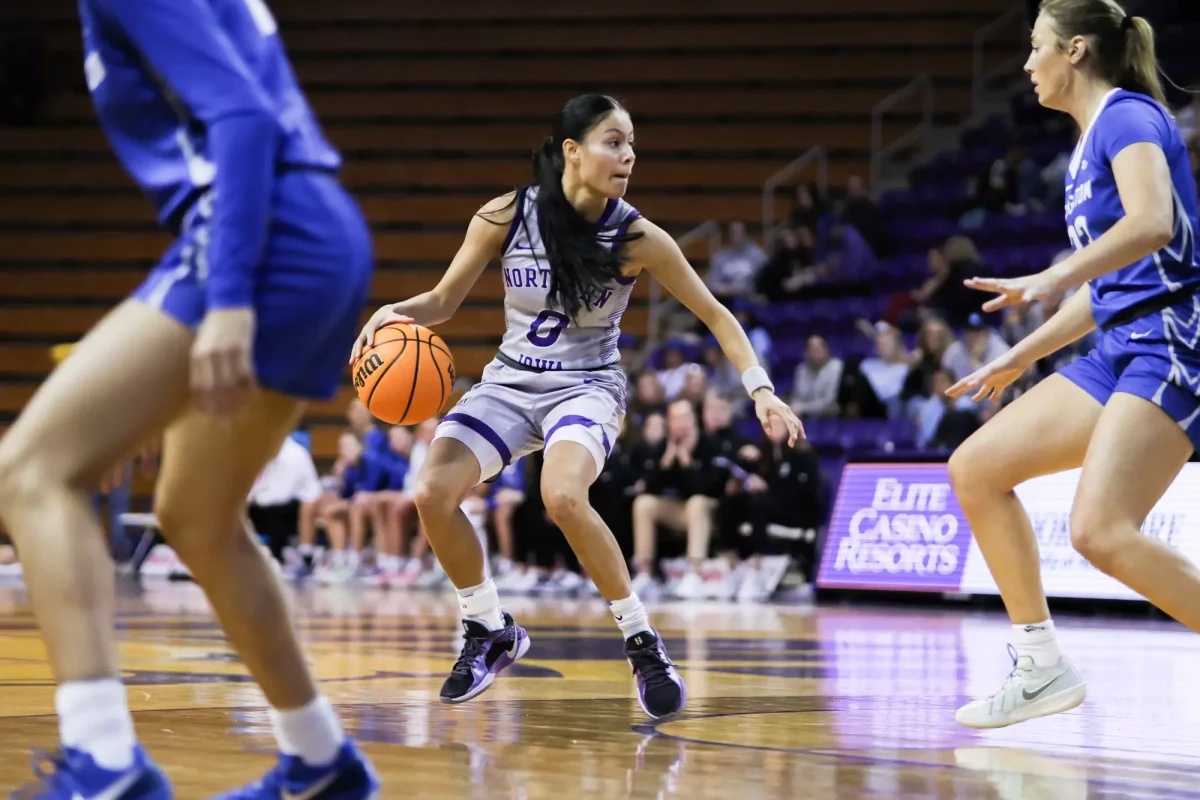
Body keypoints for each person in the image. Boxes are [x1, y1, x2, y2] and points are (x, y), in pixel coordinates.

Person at [0, 0, 379, 797]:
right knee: (197, 517)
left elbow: (241, 116)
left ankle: (103, 765)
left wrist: (230, 300)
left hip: (269, 237)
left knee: (30, 471)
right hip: (314, 236)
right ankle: (319, 761)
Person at [351, 94, 803, 720]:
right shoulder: (505, 215)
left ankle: (641, 639)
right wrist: (393, 313)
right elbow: (444, 301)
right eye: (613, 142)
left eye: (632, 144)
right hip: (509, 383)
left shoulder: (638, 235)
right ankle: (488, 628)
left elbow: (717, 316)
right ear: (572, 151)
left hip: (586, 386)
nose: (628, 156)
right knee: (431, 491)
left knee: (562, 496)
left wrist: (760, 389)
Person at [946, 0, 1200, 730]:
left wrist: (1050, 277)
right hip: (1120, 343)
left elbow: (1153, 223)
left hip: (1171, 337)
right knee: (976, 468)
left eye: (1036, 47)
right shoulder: (1086, 144)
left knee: (1099, 530)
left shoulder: (1126, 116)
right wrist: (1019, 356)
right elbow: (1108, 286)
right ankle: (1040, 665)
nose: (1027, 64)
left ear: (1076, 51)